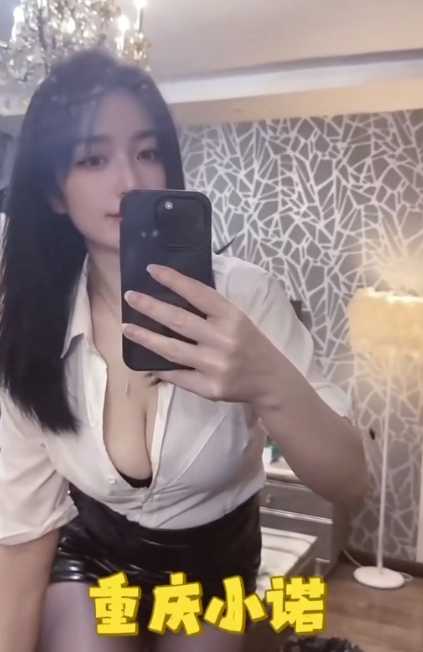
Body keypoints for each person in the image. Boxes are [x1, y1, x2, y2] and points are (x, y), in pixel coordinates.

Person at [0, 48, 367, 652]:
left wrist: (269, 381)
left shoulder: (246, 296)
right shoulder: (32, 323)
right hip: (92, 557)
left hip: (212, 567)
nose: (130, 181)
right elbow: (23, 531)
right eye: (93, 159)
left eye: (147, 153)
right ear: (55, 193)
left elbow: (350, 483)